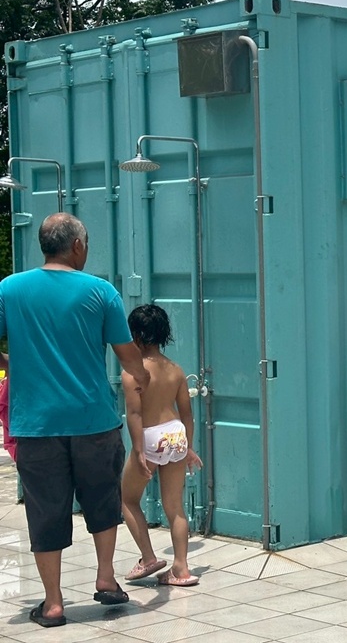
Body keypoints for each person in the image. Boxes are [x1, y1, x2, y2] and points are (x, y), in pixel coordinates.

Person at [0, 213, 151, 627]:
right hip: (93, 422)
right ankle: (105, 579)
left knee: (45, 511)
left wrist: (10, 364)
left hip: (36, 425)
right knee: (102, 501)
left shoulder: (9, 289)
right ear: (78, 246)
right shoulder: (101, 292)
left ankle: (52, 604)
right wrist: (143, 376)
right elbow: (127, 355)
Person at [120, 304, 203, 587]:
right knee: (175, 506)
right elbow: (187, 414)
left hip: (151, 436)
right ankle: (181, 568)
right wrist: (189, 447)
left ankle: (148, 557)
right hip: (175, 434)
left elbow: (134, 414)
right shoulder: (175, 370)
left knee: (128, 499)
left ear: (135, 335)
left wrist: (139, 449)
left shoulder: (133, 372)